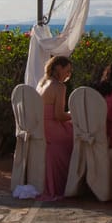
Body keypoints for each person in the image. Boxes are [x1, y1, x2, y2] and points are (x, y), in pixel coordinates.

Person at [39, 55, 75, 199]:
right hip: (53, 129)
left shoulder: (42, 83)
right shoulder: (59, 87)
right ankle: (72, 183)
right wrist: (74, 115)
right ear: (58, 67)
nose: (68, 74)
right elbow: (59, 116)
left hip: (42, 127)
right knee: (77, 136)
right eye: (67, 70)